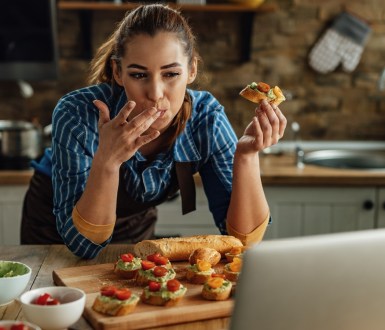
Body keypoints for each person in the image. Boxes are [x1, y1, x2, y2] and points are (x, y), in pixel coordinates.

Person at [20, 4, 287, 259]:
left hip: (135, 225)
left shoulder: (206, 119)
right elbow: (83, 246)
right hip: (54, 230)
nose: (155, 94)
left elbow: (243, 242)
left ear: (191, 69)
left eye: (170, 74)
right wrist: (107, 161)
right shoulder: (77, 113)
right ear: (118, 72)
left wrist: (247, 156)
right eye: (138, 75)